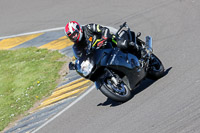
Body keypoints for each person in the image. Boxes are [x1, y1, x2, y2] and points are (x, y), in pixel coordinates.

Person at [64, 21, 147, 70]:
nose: (74, 37)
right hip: (99, 54)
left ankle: (142, 52)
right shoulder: (76, 46)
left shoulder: (88, 28)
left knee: (122, 44)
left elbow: (103, 29)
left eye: (74, 34)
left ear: (78, 29)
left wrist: (103, 38)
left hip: (108, 41)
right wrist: (75, 65)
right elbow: (79, 57)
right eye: (71, 36)